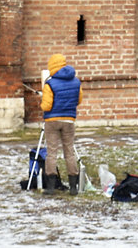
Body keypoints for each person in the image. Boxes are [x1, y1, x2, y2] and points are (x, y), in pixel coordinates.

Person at [41, 53, 82, 195]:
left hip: (52, 121)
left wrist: (42, 102)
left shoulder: (50, 83)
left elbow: (46, 106)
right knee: (69, 152)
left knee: (51, 152)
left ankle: (51, 187)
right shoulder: (76, 81)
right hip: (69, 120)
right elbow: (78, 100)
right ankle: (73, 187)